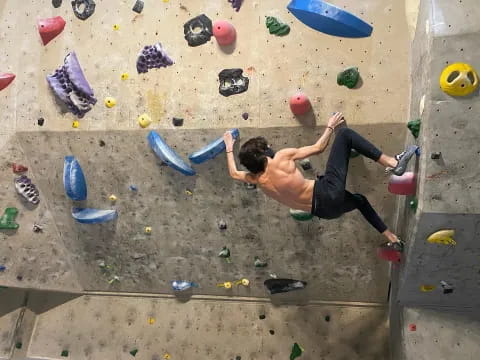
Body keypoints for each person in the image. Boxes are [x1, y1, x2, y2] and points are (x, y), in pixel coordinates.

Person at [223, 112, 419, 251]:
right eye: (266, 147)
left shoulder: (255, 179)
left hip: (324, 212)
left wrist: (230, 149)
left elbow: (233, 173)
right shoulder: (282, 157)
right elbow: (319, 147)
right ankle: (394, 163)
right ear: (263, 153)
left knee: (359, 201)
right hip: (327, 192)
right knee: (345, 135)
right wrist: (331, 127)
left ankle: (391, 238)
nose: (270, 148)